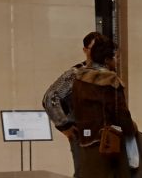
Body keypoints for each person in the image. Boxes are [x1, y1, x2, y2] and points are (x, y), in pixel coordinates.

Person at [69, 37, 137, 178]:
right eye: (115, 57)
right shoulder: (111, 81)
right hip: (108, 144)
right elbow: (120, 114)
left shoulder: (78, 78)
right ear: (107, 59)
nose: (117, 60)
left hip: (85, 143)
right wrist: (131, 131)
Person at [43, 31, 107, 166]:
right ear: (85, 50)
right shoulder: (76, 73)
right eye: (94, 48)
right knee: (84, 171)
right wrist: (65, 126)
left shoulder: (107, 72)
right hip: (83, 134)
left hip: (104, 134)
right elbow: (51, 98)